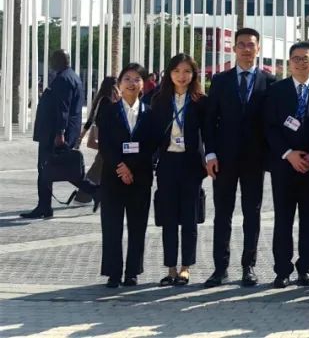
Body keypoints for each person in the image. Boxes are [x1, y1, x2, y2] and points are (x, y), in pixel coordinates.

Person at [203, 28, 278, 287]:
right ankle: (220, 268)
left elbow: (272, 123)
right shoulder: (220, 81)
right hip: (223, 160)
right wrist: (210, 153)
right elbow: (210, 121)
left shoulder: (270, 82)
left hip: (254, 161)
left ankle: (249, 266)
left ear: (259, 48)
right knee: (222, 214)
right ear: (234, 48)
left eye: (251, 45)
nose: (247, 49)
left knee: (252, 214)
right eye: (242, 44)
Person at [264, 42, 309, 288]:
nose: (301, 63)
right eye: (296, 58)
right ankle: (282, 269)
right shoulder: (276, 91)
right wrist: (289, 154)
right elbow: (269, 127)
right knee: (283, 219)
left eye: (306, 58)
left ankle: (305, 268)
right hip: (284, 165)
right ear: (289, 62)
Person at [150, 53, 208, 286]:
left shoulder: (201, 101)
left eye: (186, 71)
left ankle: (186, 268)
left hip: (191, 164)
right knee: (169, 218)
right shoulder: (159, 99)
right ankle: (171, 268)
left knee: (189, 218)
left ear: (193, 74)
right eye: (176, 71)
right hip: (167, 164)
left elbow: (209, 133)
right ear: (169, 73)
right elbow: (152, 133)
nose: (181, 76)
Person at [96, 63, 154, 287]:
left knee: (138, 226)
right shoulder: (108, 111)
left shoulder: (149, 113)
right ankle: (113, 272)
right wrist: (120, 167)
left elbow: (151, 145)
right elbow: (105, 145)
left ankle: (132, 272)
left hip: (140, 177)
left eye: (137, 79)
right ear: (119, 84)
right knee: (112, 226)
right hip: (113, 176)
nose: (132, 83)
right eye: (127, 79)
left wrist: (132, 167)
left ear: (143, 84)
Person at [22, 50, 86, 219]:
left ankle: (44, 207)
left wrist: (60, 133)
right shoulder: (72, 76)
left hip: (54, 134)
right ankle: (45, 206)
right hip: (58, 132)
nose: (50, 62)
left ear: (60, 60)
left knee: (46, 168)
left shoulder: (63, 79)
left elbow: (63, 108)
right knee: (58, 168)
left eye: (53, 59)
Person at [68, 76, 121, 209]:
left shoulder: (101, 99)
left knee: (101, 169)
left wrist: (81, 136)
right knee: (97, 170)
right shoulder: (107, 101)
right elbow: (107, 120)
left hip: (106, 140)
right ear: (113, 87)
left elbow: (91, 119)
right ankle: (83, 197)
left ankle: (94, 195)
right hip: (107, 140)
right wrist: (119, 101)